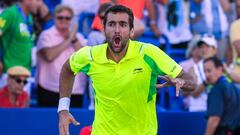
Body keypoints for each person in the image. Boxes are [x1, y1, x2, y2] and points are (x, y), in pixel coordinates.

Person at [58, 5, 196, 135]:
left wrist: (182, 82)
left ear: (131, 31)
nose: (117, 30)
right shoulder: (90, 55)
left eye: (123, 24)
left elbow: (191, 81)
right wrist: (63, 109)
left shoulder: (148, 53)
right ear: (103, 29)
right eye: (111, 24)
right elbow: (67, 70)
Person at [36, 5, 87, 107]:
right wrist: (68, 39)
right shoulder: (46, 35)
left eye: (67, 18)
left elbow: (86, 60)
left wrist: (73, 39)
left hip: (74, 92)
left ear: (72, 20)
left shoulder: (79, 38)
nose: (64, 20)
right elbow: (49, 56)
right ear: (54, 18)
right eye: (60, 17)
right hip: (49, 90)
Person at [0, 0, 42, 73]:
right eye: (38, 0)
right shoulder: (10, 13)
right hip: (9, 75)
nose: (40, 4)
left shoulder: (29, 17)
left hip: (25, 75)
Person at [203, 57, 240, 135]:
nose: (206, 75)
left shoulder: (217, 89)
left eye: (209, 70)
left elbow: (214, 119)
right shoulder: (234, 87)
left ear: (220, 69)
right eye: (204, 71)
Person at [187, 34, 218, 112]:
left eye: (207, 46)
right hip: (199, 109)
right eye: (201, 47)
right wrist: (206, 82)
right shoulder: (193, 68)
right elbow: (193, 93)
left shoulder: (222, 67)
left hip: (217, 109)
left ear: (214, 50)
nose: (204, 50)